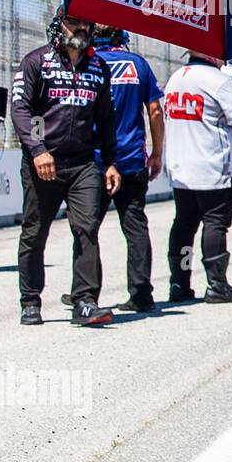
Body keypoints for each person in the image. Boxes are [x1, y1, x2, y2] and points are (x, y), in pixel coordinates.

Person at [11, 8, 121, 326]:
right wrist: (38, 150)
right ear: (60, 24)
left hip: (83, 163)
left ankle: (85, 302)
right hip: (43, 163)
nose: (83, 27)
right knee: (35, 232)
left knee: (87, 228)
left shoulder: (99, 67)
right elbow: (20, 108)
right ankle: (30, 301)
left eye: (87, 22)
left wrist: (111, 162)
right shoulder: (36, 62)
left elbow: (106, 120)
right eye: (76, 21)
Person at [162, 51, 232, 303]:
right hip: (212, 164)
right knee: (215, 223)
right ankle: (216, 283)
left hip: (180, 166)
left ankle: (179, 283)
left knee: (184, 224)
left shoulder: (176, 77)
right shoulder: (219, 81)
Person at [83, 25, 163, 311]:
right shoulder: (138, 63)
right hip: (131, 159)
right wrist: (157, 153)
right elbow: (155, 110)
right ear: (122, 37)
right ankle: (141, 294)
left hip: (94, 161)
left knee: (86, 228)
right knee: (135, 227)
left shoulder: (88, 62)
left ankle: (85, 294)